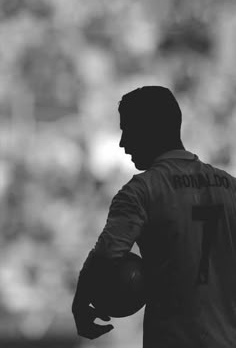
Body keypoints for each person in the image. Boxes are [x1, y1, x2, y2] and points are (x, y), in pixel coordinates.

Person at [72, 85, 236, 348]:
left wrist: (81, 302)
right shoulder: (231, 186)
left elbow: (106, 256)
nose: (122, 143)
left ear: (150, 129)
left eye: (127, 129)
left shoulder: (141, 190)